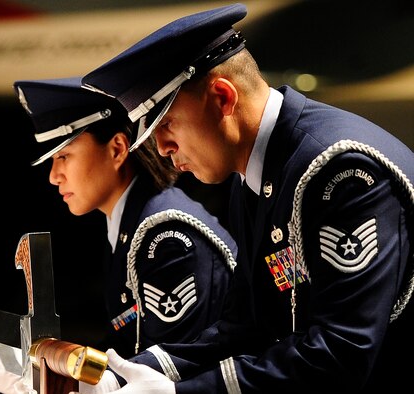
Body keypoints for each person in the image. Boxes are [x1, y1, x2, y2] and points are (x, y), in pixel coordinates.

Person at [75, 2, 414, 393]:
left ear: (222, 97)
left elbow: (342, 350)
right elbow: (245, 326)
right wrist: (112, 375)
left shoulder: (339, 170)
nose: (161, 147)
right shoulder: (254, 172)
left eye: (165, 124)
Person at [0, 77, 239, 393]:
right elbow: (124, 347)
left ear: (117, 149)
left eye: (64, 156)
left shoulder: (165, 234)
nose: (54, 176)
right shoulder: (131, 226)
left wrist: (72, 382)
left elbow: (174, 364)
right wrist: (20, 362)